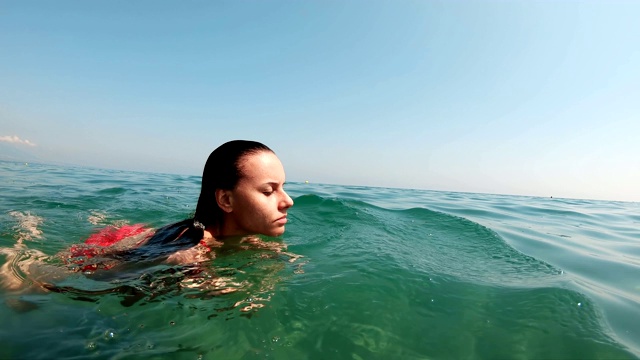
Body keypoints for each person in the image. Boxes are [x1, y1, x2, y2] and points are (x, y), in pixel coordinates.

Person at [1, 140, 295, 289]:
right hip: (121, 250)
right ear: (226, 199)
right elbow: (86, 278)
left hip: (148, 232)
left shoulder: (240, 235)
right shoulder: (190, 254)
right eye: (269, 191)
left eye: (284, 188)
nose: (288, 201)